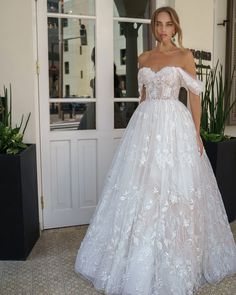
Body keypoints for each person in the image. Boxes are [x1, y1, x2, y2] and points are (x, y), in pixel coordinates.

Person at [75, 6, 236, 295]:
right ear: (154, 27)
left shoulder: (184, 56)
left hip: (175, 128)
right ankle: (141, 256)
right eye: (159, 24)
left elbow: (195, 97)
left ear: (175, 28)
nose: (163, 29)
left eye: (169, 24)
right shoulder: (144, 58)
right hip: (145, 127)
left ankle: (175, 256)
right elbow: (144, 96)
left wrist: (196, 134)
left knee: (176, 191)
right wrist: (138, 133)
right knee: (142, 190)